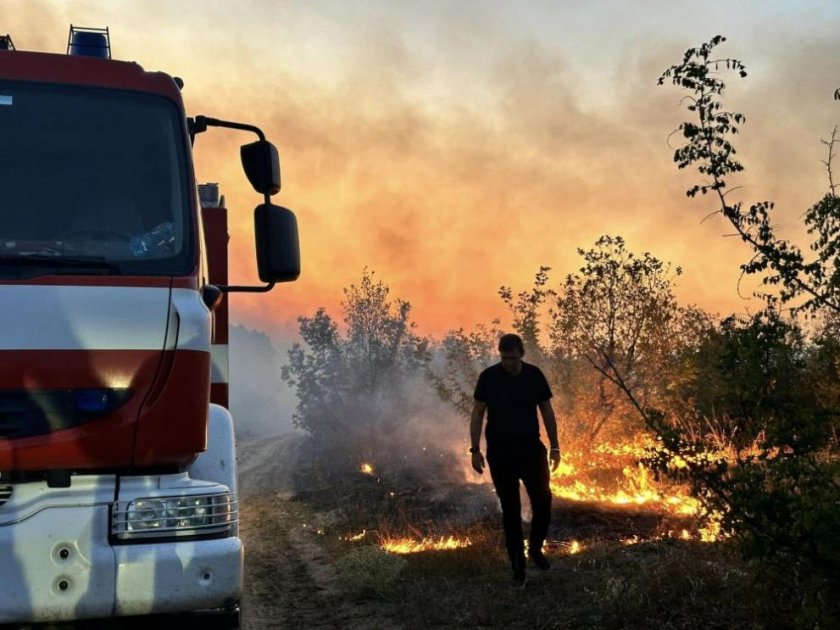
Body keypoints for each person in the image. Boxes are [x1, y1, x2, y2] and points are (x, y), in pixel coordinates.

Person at [470, 333, 560, 586]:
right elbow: (477, 412)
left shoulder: (534, 375)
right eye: (504, 358)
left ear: (521, 355)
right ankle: (517, 566)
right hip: (500, 453)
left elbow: (547, 411)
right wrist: (474, 449)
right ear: (500, 354)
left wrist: (555, 447)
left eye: (513, 358)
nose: (509, 363)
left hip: (531, 450)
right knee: (510, 510)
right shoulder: (488, 378)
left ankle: (535, 549)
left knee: (543, 500)